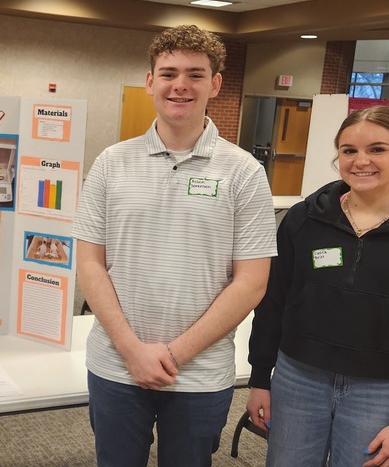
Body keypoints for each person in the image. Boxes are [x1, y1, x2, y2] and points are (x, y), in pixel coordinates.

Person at [72, 24, 277, 466]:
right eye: (168, 73)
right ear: (150, 82)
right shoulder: (111, 163)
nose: (180, 85)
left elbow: (252, 282)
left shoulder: (243, 172)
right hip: (115, 365)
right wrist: (132, 349)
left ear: (215, 84)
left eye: (195, 74)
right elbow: (89, 264)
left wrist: (171, 355)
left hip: (199, 374)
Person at [246, 106, 389, 467]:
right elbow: (272, 303)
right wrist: (260, 378)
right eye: (349, 150)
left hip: (380, 390)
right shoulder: (304, 220)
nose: (361, 161)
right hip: (298, 379)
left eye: (377, 149)